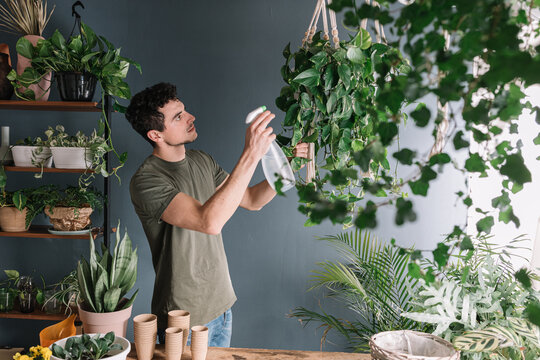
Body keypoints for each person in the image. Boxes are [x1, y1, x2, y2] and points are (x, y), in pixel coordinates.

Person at [125, 82, 308, 347]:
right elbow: (208, 221)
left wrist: (287, 163)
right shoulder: (147, 180)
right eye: (178, 117)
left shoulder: (202, 161)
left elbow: (253, 200)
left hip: (222, 306)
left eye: (184, 111)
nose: (191, 118)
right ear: (156, 135)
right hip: (183, 319)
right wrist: (251, 153)